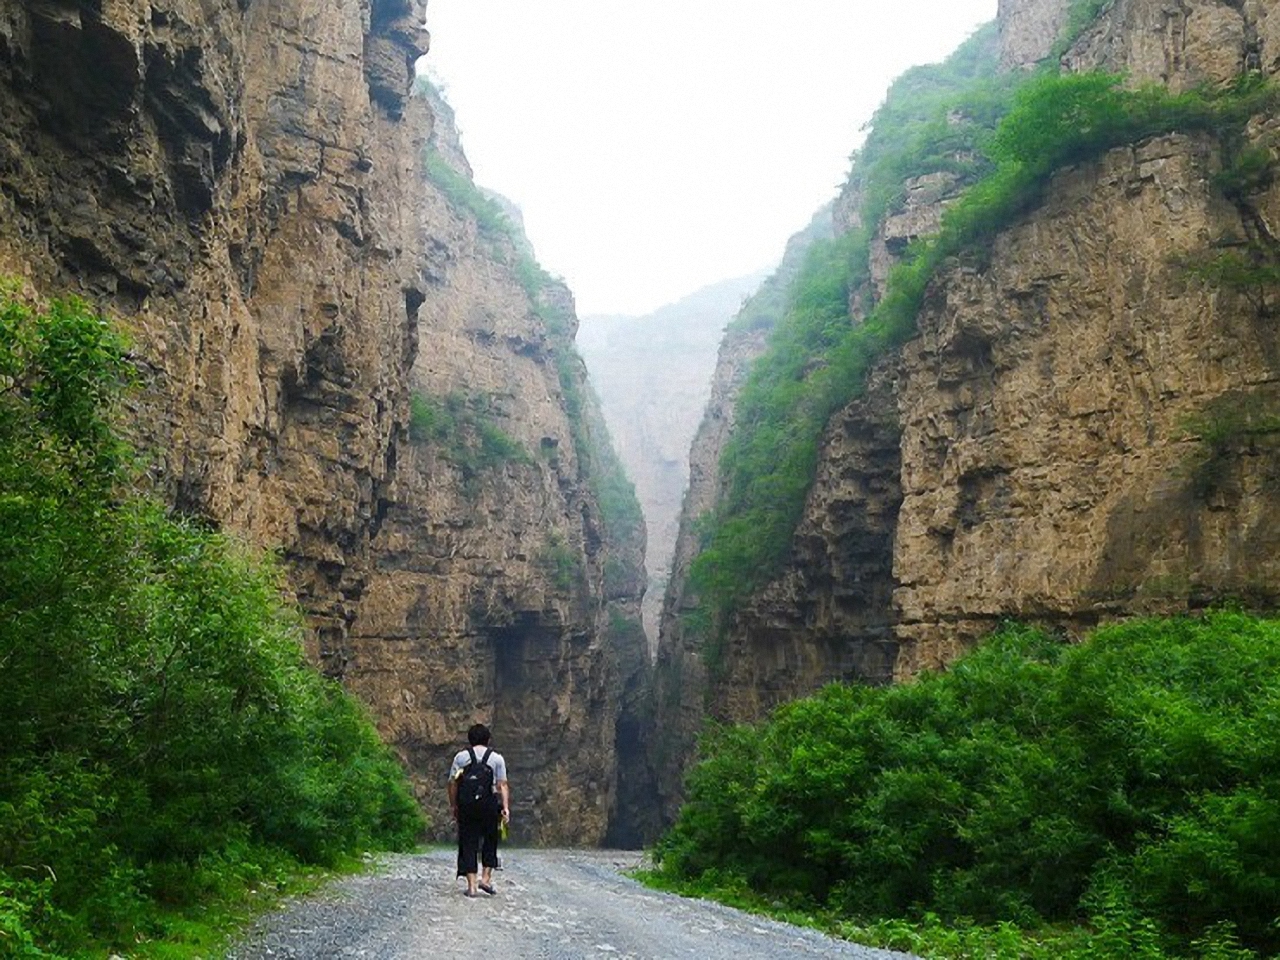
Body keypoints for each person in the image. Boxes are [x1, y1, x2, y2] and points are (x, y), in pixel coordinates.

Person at [447, 722, 510, 897]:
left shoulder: (461, 757)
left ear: (470, 740)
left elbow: (452, 783)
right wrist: (505, 807)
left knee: (468, 841)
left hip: (467, 805)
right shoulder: (496, 758)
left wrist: (454, 805)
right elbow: (502, 784)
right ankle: (486, 879)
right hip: (489, 804)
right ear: (488, 740)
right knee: (490, 839)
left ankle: (472, 886)